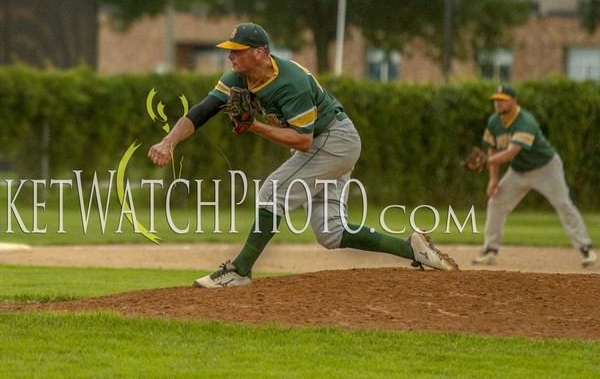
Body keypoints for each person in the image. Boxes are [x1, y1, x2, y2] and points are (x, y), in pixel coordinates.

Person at [148, 22, 458, 288]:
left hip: (334, 139)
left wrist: (254, 126)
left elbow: (303, 141)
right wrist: (169, 142)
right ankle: (413, 249)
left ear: (259, 52)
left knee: (274, 190)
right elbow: (203, 110)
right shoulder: (237, 77)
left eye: (237, 50)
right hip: (332, 142)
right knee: (332, 233)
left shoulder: (289, 82)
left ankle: (240, 271)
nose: (229, 55)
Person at [472, 84, 596, 268]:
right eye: (496, 100)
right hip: (518, 172)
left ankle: (586, 249)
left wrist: (488, 162)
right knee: (496, 202)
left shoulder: (525, 121)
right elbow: (493, 148)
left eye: (503, 100)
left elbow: (510, 153)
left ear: (514, 101)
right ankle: (490, 250)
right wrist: (493, 179)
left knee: (563, 204)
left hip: (545, 169)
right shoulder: (494, 121)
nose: (498, 104)